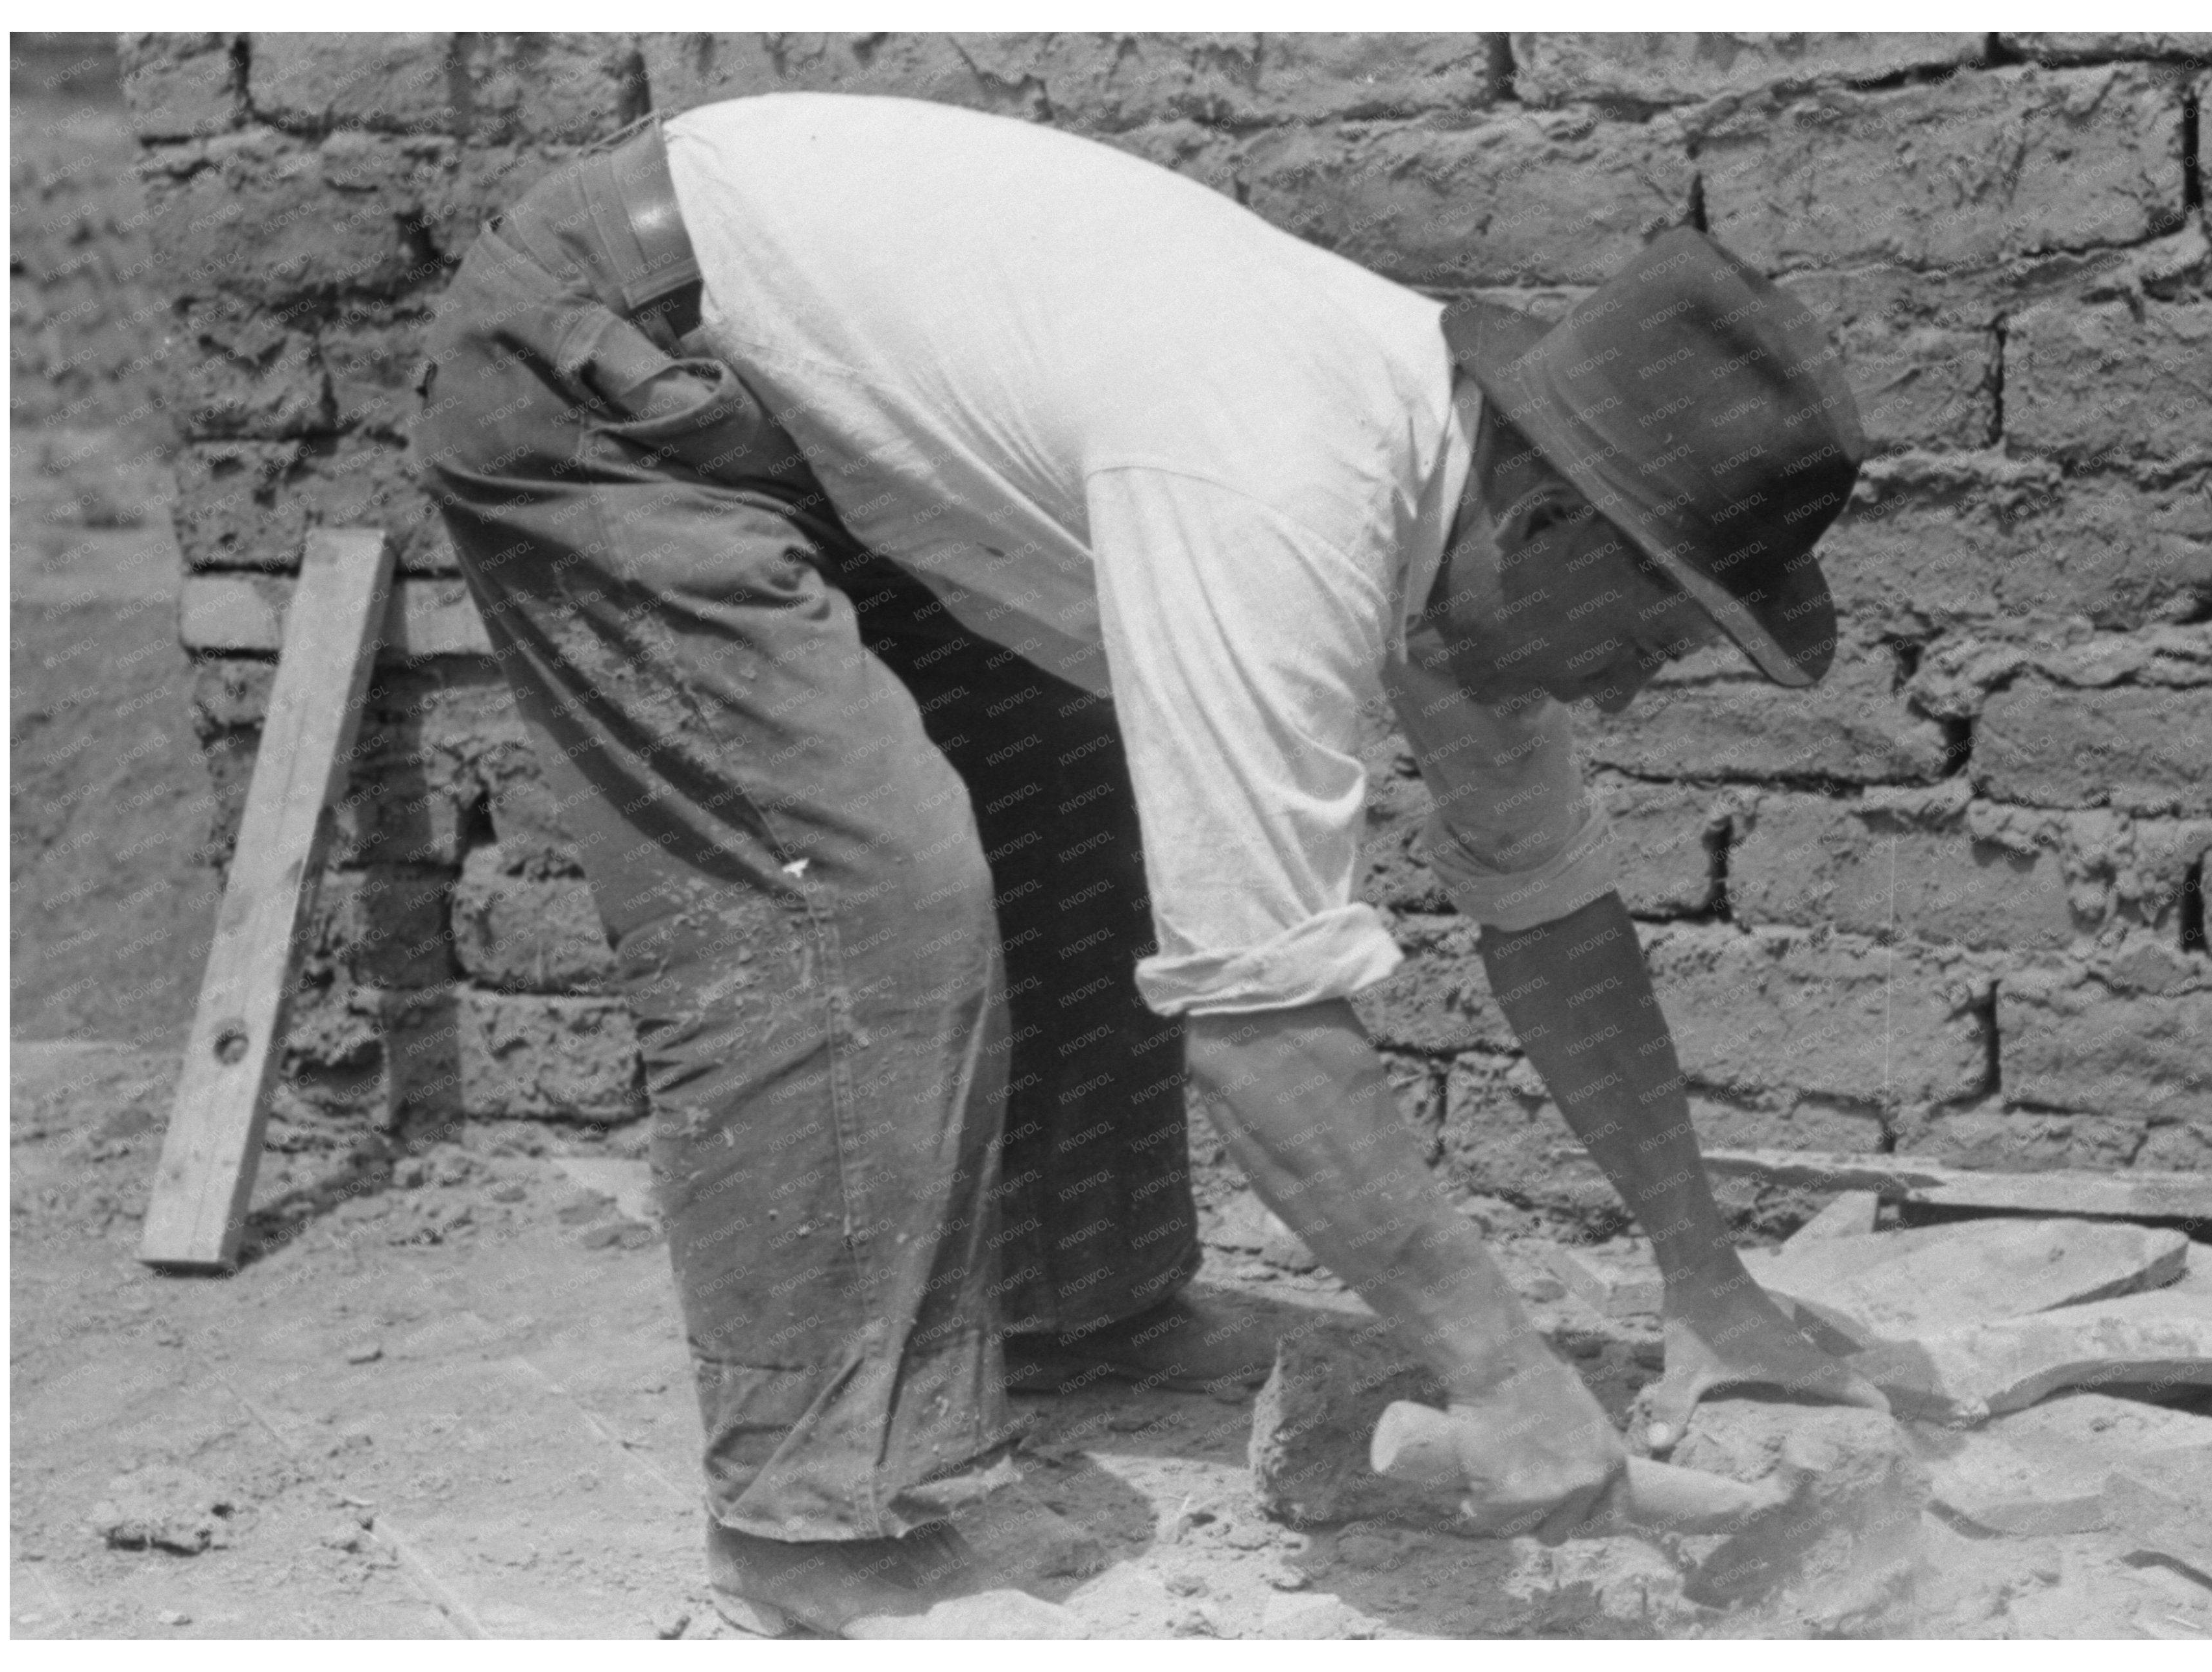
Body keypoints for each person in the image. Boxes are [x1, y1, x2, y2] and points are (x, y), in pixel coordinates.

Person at [413, 90, 1885, 1638]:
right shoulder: (1281, 482)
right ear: (1549, 520)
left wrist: (1704, 1282)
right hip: (612, 373)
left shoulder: (1470, 521)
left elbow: (1553, 911)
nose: (1624, 692)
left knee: (1103, 800)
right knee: (863, 887)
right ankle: (818, 1522)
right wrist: (1503, 1373)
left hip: (811, 406)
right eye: (1650, 638)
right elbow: (1262, 1037)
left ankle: (1069, 1309)